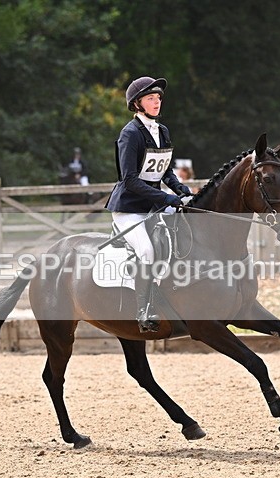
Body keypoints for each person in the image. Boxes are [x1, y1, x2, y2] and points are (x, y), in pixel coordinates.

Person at [105, 76, 192, 333]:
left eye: (158, 98)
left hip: (154, 205)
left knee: (184, 233)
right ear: (137, 104)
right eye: (150, 99)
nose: (156, 102)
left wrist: (181, 190)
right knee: (146, 251)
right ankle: (143, 310)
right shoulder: (130, 134)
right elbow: (129, 179)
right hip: (129, 208)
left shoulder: (162, 131)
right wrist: (166, 198)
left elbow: (165, 171)